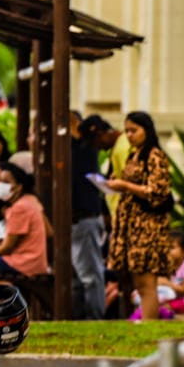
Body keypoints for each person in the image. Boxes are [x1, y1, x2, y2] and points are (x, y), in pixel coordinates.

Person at [106, 111, 175, 321]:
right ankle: (143, 320)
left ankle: (149, 325)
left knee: (147, 283)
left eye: (134, 130)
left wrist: (126, 185)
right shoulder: (134, 155)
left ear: (147, 130)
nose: (129, 135)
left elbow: (158, 191)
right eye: (126, 131)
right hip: (131, 225)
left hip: (148, 226)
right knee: (137, 282)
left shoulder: (155, 155)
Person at [70, 111, 108, 319]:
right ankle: (77, 318)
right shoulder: (65, 148)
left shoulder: (86, 148)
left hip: (85, 218)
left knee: (90, 276)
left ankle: (95, 317)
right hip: (73, 221)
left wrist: (73, 123)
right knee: (76, 278)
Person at [0, 161, 50, 281]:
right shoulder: (29, 200)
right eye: (0, 181)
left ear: (19, 187)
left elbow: (7, 247)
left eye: (6, 182)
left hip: (23, 264)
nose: (0, 186)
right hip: (35, 262)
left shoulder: (19, 208)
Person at [129, 232, 184, 321]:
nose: (168, 251)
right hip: (177, 299)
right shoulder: (171, 265)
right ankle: (136, 319)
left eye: (172, 248)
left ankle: (169, 318)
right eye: (166, 248)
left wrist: (167, 284)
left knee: (162, 307)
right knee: (150, 303)